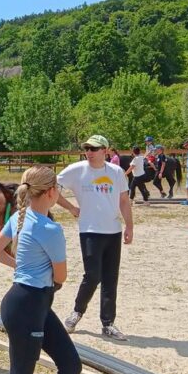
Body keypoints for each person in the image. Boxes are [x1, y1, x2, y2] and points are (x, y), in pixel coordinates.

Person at [0, 166, 90, 374]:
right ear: (51, 193)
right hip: (27, 306)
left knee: (70, 364)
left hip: (31, 303)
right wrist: (29, 272)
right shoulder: (49, 229)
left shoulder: (21, 217)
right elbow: (62, 276)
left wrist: (22, 268)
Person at [57, 135, 133, 341]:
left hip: (113, 231)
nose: (89, 152)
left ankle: (108, 323)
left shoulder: (116, 172)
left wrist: (129, 226)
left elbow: (124, 200)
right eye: (87, 148)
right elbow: (52, 188)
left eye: (94, 148)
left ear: (105, 151)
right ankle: (76, 312)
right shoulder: (77, 170)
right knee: (92, 275)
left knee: (110, 277)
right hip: (90, 230)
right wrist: (71, 207)